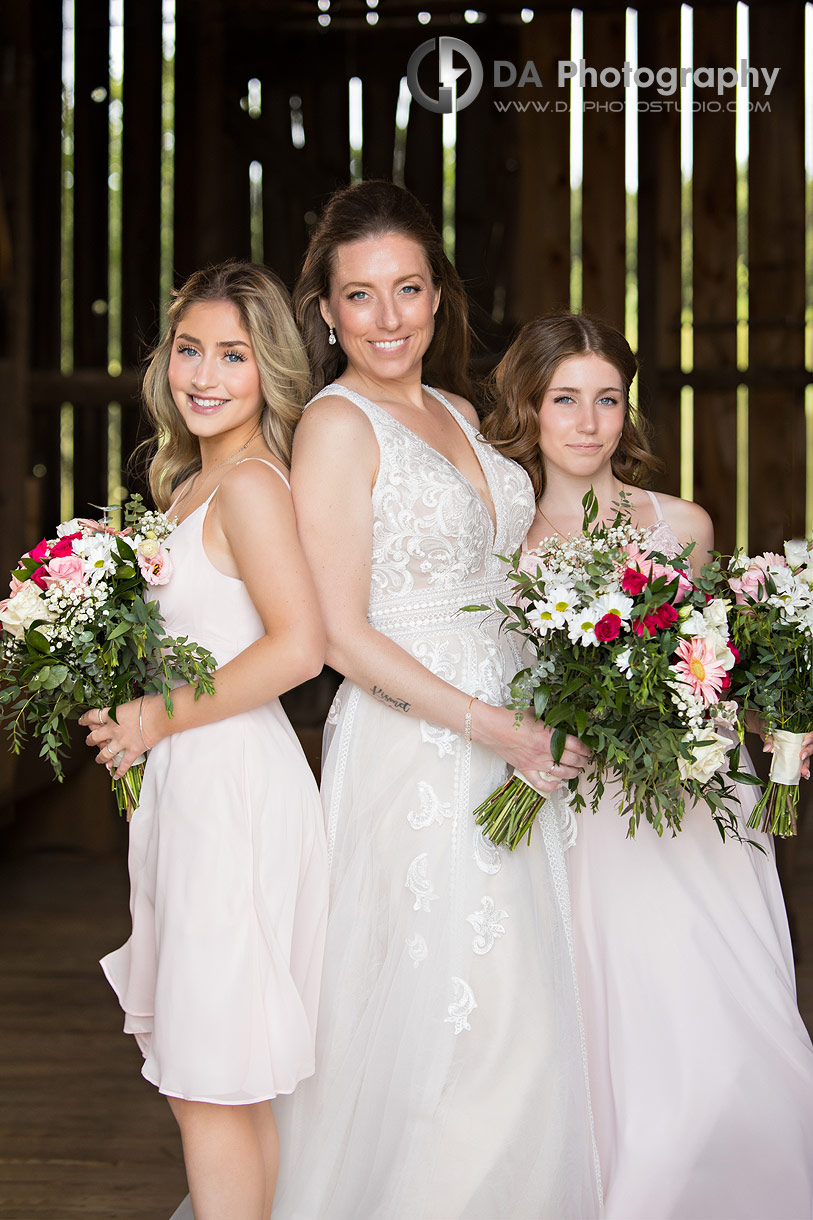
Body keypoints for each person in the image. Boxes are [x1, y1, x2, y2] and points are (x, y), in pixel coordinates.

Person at [264, 180, 601, 1220]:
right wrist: (487, 720)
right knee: (476, 1018)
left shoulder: (459, 409)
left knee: (534, 1007)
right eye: (360, 297)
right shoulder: (334, 425)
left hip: (518, 728)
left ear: (439, 294)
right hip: (423, 745)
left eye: (409, 288)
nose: (390, 317)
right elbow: (338, 632)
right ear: (324, 308)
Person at [482, 310, 813, 1219]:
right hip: (582, 816)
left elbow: (711, 663)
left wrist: (778, 717)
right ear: (528, 407)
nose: (588, 423)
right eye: (564, 401)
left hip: (693, 802)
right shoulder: (500, 538)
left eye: (608, 400)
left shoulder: (684, 526)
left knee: (720, 1020)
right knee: (615, 1028)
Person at [80, 261, 329, 1220]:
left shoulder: (253, 487)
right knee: (222, 1080)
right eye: (190, 350)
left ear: (268, 368)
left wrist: (155, 716)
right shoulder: (189, 480)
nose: (206, 374)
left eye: (233, 354)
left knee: (209, 1078)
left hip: (230, 791)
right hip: (196, 787)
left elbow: (299, 646)